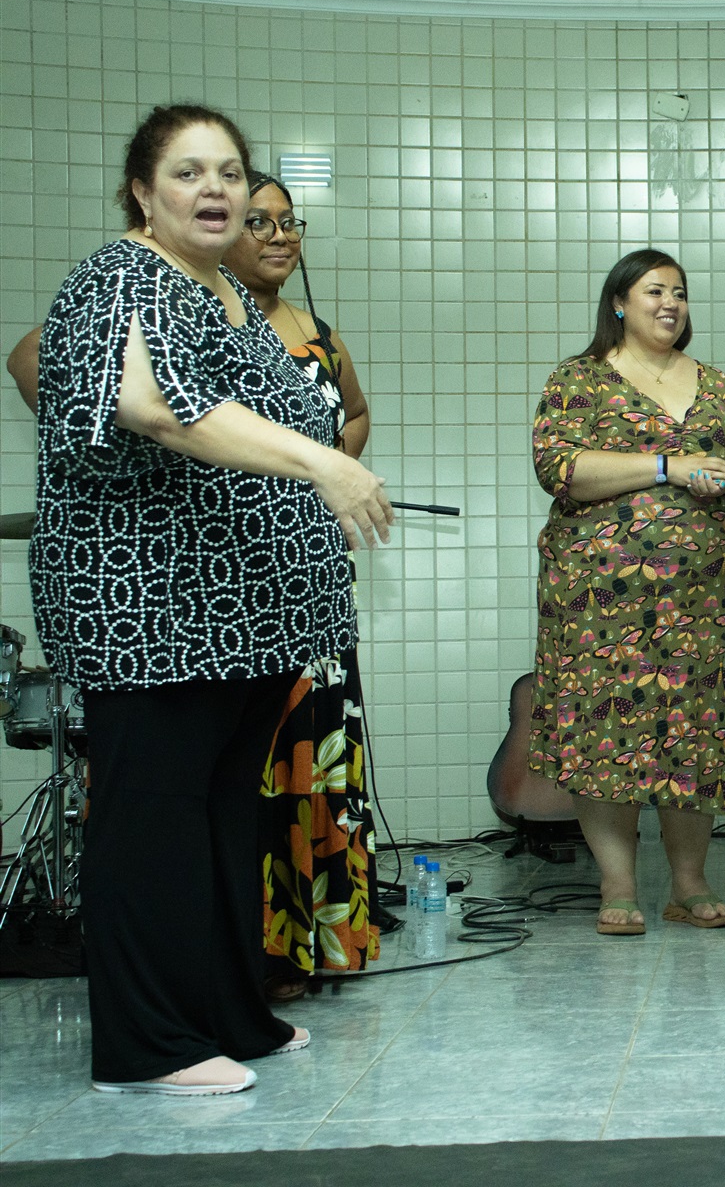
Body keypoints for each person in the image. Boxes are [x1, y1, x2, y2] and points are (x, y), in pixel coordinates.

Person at [32, 103, 391, 1095]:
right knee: (152, 817)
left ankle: (231, 1011)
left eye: (229, 171)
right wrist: (325, 464)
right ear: (142, 192)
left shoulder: (226, 289)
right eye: (188, 172)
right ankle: (147, 1044)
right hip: (154, 609)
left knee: (225, 815)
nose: (216, 189)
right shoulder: (121, 275)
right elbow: (150, 408)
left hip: (246, 620)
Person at [530, 249, 725, 936]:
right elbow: (559, 467)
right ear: (619, 303)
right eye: (654, 291)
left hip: (705, 598)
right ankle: (618, 885)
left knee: (695, 730)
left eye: (679, 292)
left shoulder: (719, 387)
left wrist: (724, 475)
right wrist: (667, 465)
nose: (670, 303)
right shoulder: (579, 379)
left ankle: (689, 883)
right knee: (606, 730)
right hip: (599, 601)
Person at [226, 173, 380, 999]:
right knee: (251, 760)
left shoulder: (320, 334)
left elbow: (354, 412)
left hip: (315, 576)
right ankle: (249, 950)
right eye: (259, 222)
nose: (280, 236)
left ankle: (312, 942)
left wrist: (330, 467)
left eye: (290, 222)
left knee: (313, 750)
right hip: (234, 579)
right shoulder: (198, 312)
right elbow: (32, 355)